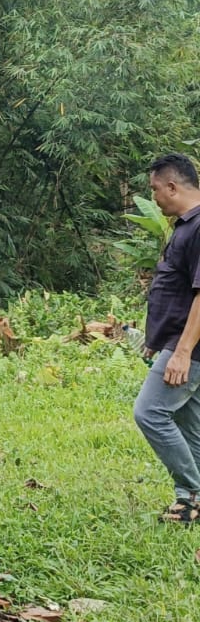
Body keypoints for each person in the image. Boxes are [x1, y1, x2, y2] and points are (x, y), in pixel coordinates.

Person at [132, 153, 200, 523]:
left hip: (188, 349)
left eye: (155, 190)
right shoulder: (186, 226)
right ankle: (194, 499)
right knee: (191, 422)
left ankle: (188, 493)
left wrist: (182, 352)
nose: (154, 198)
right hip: (178, 344)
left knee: (150, 413)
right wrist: (156, 339)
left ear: (172, 187)